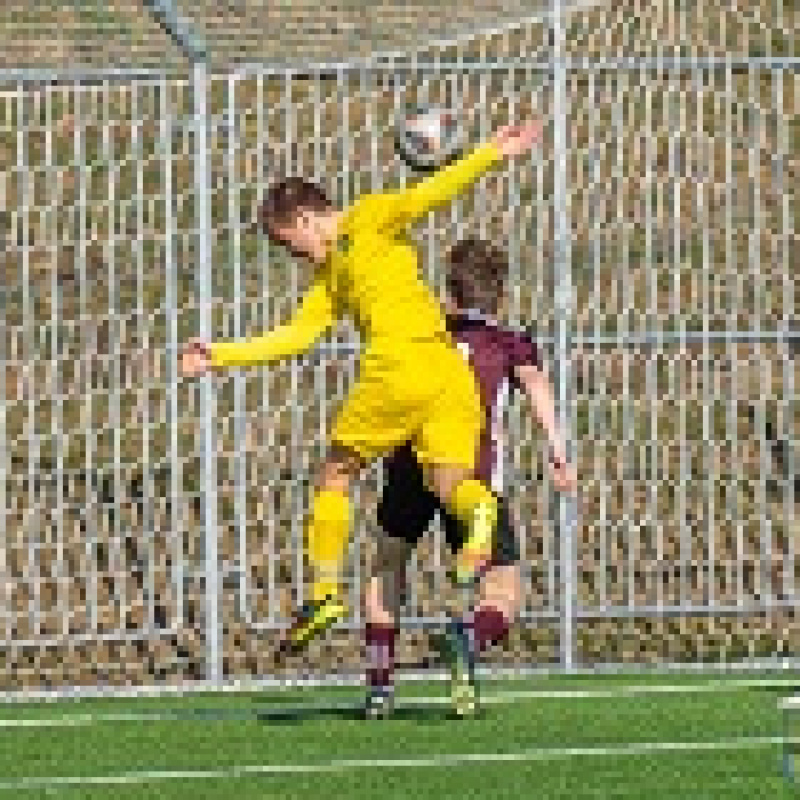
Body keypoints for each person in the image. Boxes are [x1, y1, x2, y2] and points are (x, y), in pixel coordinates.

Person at [181, 122, 543, 655]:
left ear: (305, 219)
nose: (296, 255)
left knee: (335, 474)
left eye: (290, 243)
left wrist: (218, 357)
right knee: (452, 488)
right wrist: (492, 153)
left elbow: (422, 195)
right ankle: (481, 513)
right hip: (449, 373)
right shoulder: (336, 269)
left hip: (395, 369)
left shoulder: (366, 219)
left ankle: (324, 592)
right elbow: (429, 195)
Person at [362, 237, 577, 718]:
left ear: (449, 290)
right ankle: (468, 639)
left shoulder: (422, 335)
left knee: (388, 562)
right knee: (502, 587)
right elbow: (537, 389)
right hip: (472, 478)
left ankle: (379, 685)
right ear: (499, 294)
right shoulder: (507, 343)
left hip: (411, 466)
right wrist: (558, 450)